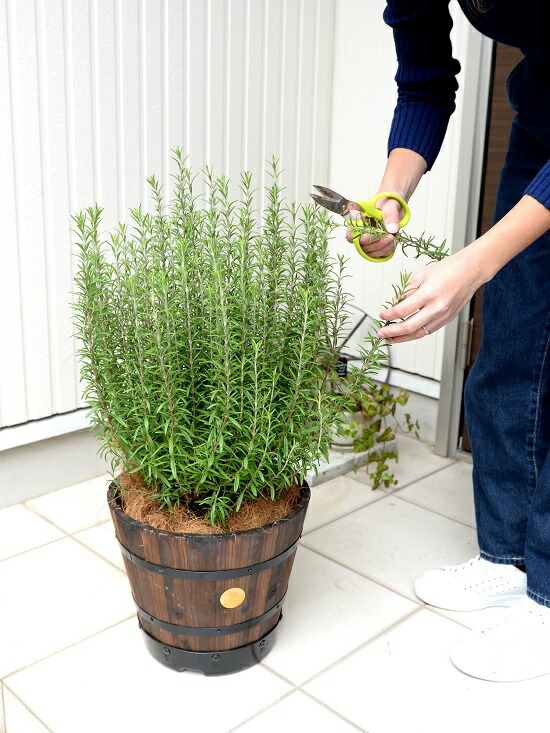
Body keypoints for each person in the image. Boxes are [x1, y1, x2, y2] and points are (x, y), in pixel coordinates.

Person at [346, 0, 550, 682]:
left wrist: (476, 261)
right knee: (511, 346)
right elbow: (426, 83)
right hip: (545, 119)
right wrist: (391, 197)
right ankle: (506, 557)